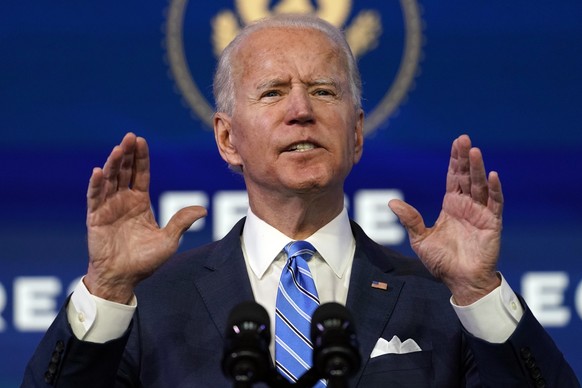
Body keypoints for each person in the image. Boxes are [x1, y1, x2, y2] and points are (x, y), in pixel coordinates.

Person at [22, 14, 578, 388]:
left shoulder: (443, 299)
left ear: (356, 134)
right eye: (272, 92)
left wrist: (480, 291)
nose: (301, 111)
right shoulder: (149, 305)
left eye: (322, 91)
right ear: (226, 139)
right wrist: (108, 290)